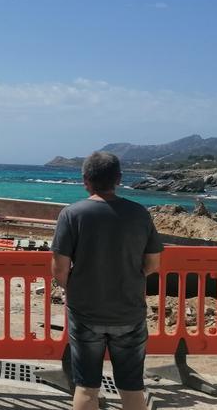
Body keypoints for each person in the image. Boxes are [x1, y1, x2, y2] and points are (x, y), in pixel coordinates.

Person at [51, 151, 163, 410]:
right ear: (119, 179)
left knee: (87, 387)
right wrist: (127, 278)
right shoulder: (139, 214)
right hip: (129, 311)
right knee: (132, 387)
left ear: (85, 180)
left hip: (86, 312)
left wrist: (81, 286)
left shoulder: (71, 214)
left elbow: (59, 270)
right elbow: (153, 264)